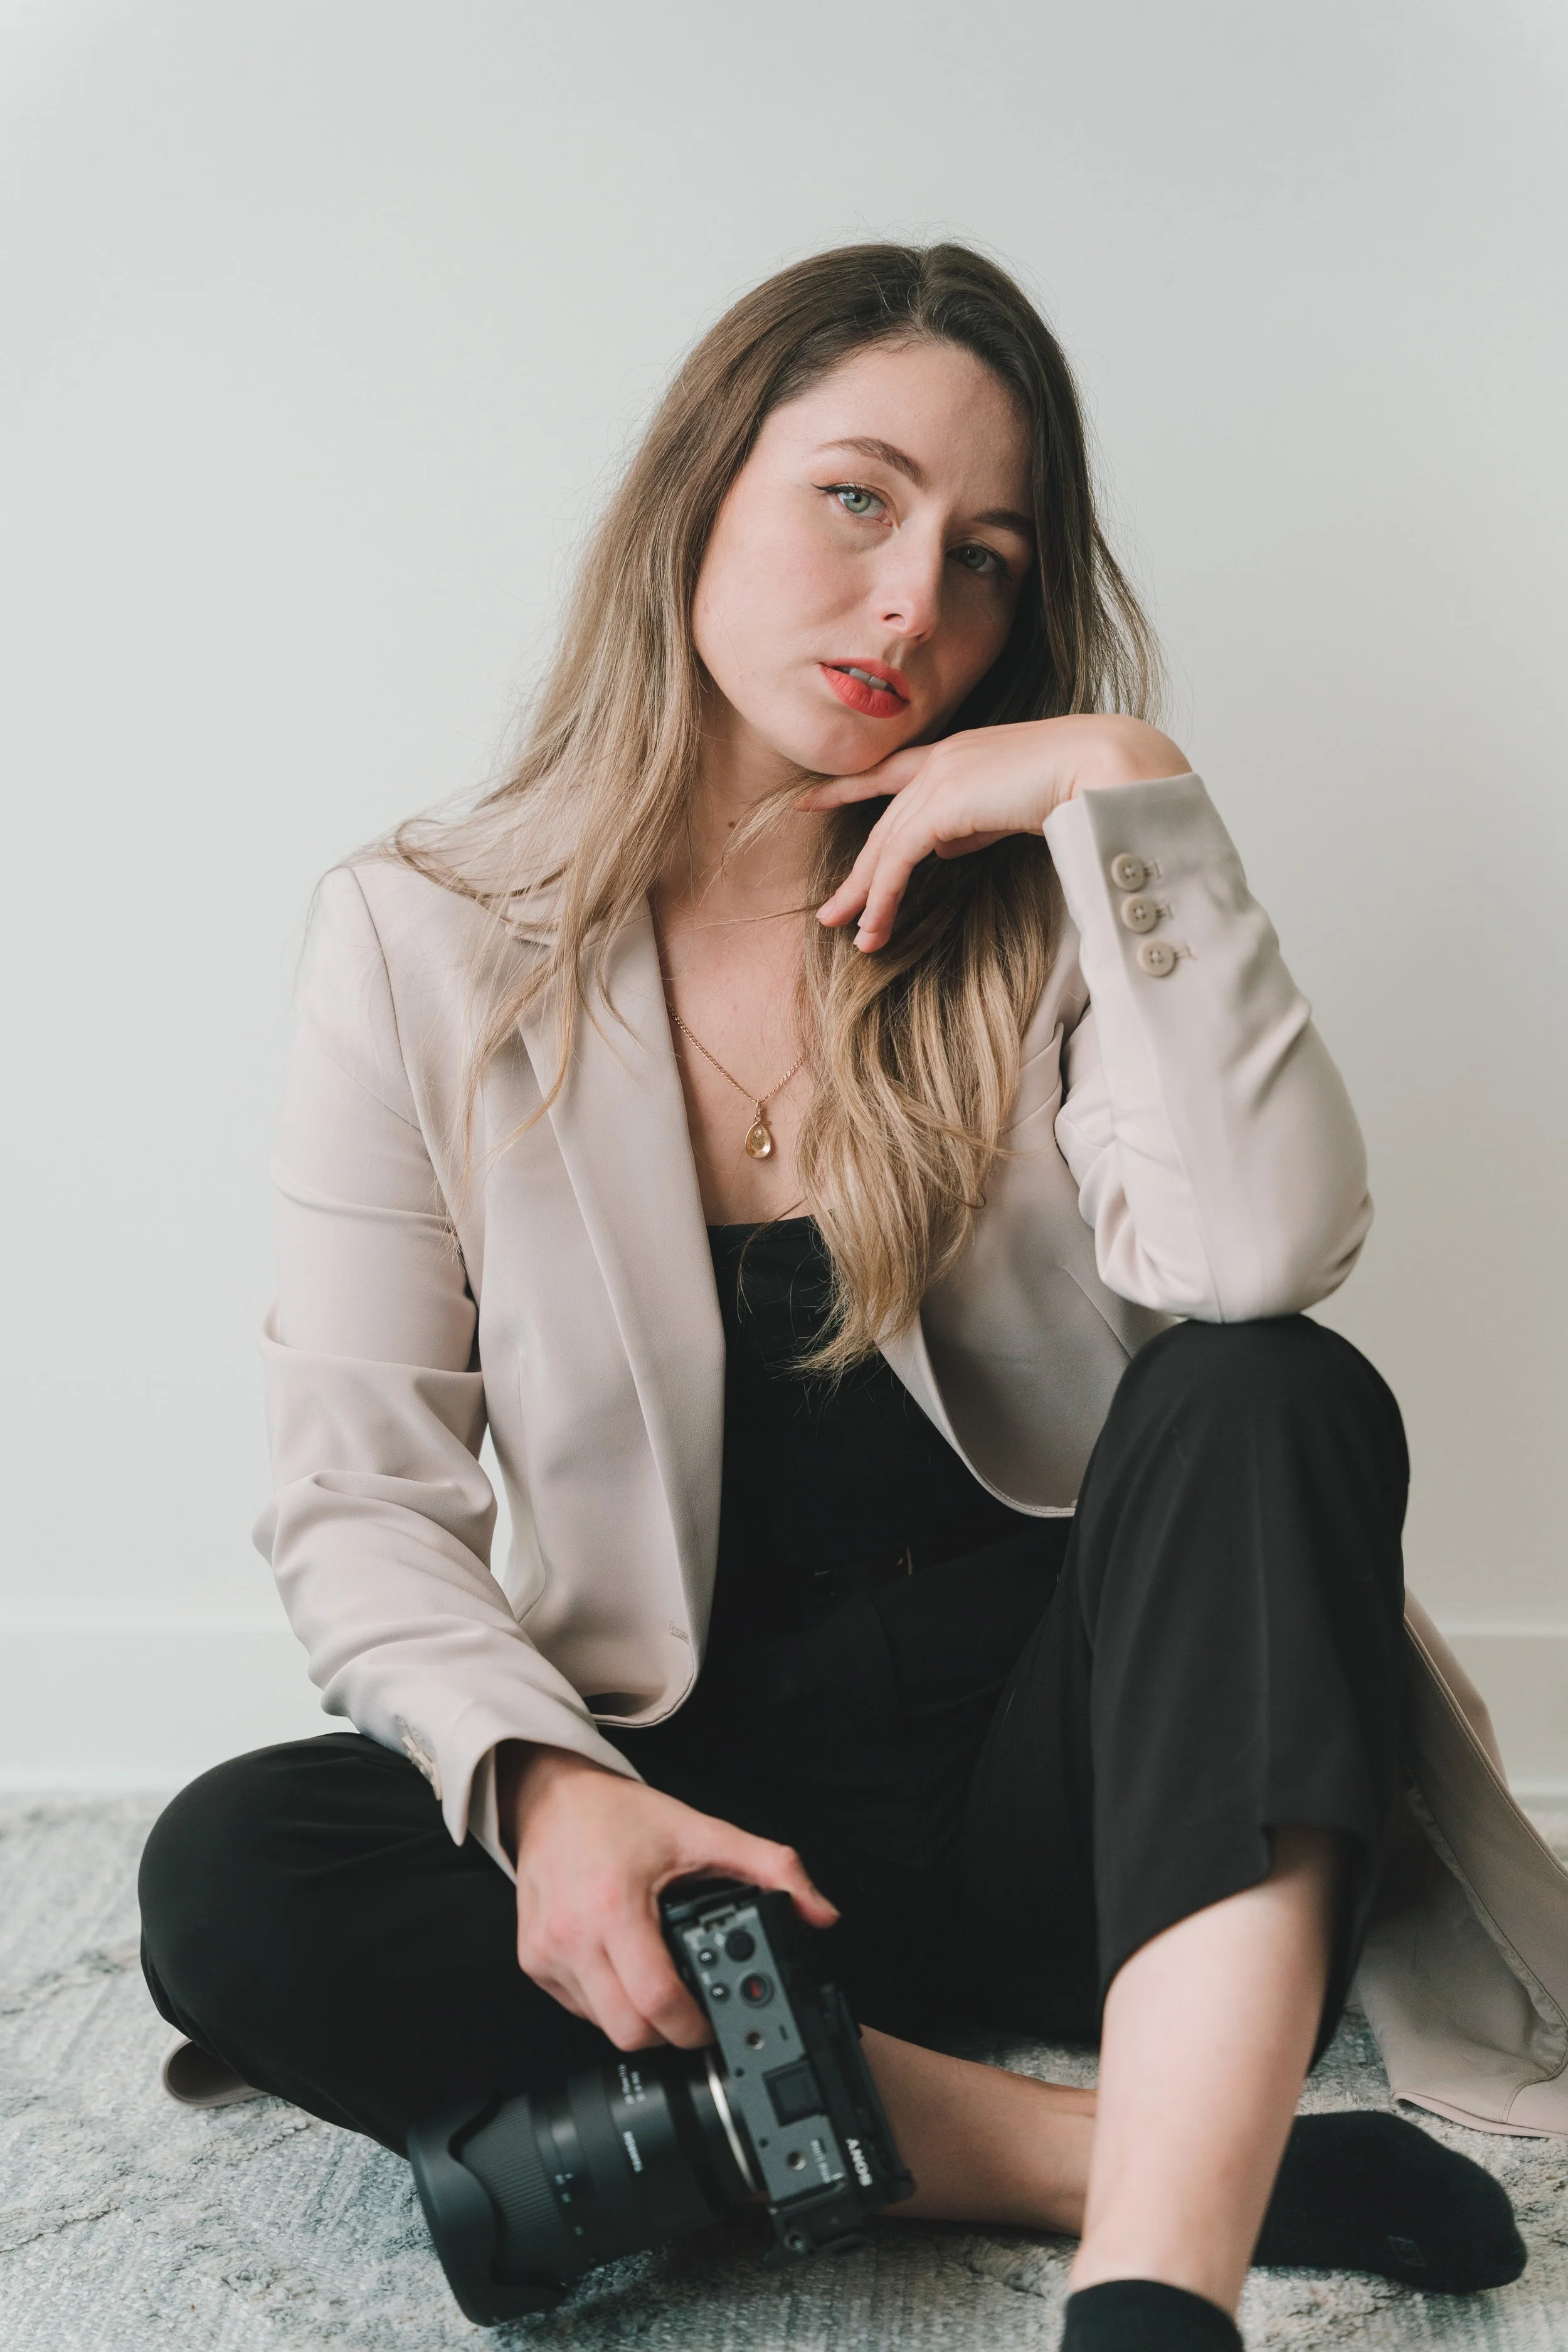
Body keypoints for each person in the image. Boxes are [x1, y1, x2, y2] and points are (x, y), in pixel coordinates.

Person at [139, 243, 1545, 2350]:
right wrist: (557, 1796)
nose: (913, 606)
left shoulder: (1051, 913)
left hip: (1088, 1808)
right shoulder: (420, 941)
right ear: (699, 488)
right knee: (235, 1870)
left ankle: (1151, 2290)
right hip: (721, 1839)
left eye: (982, 558)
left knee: (1273, 1391)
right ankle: (1150, 2148)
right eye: (855, 500)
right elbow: (359, 1496)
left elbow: (1256, 1256)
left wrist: (1125, 793)